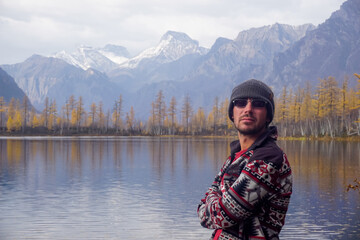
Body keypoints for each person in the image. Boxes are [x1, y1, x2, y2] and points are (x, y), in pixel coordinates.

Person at [197, 79, 292, 240]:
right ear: (232, 114)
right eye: (240, 103)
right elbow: (208, 199)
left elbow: (222, 215)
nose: (248, 109)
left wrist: (211, 203)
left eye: (258, 104)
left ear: (268, 115)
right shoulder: (236, 156)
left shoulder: (268, 158)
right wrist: (214, 201)